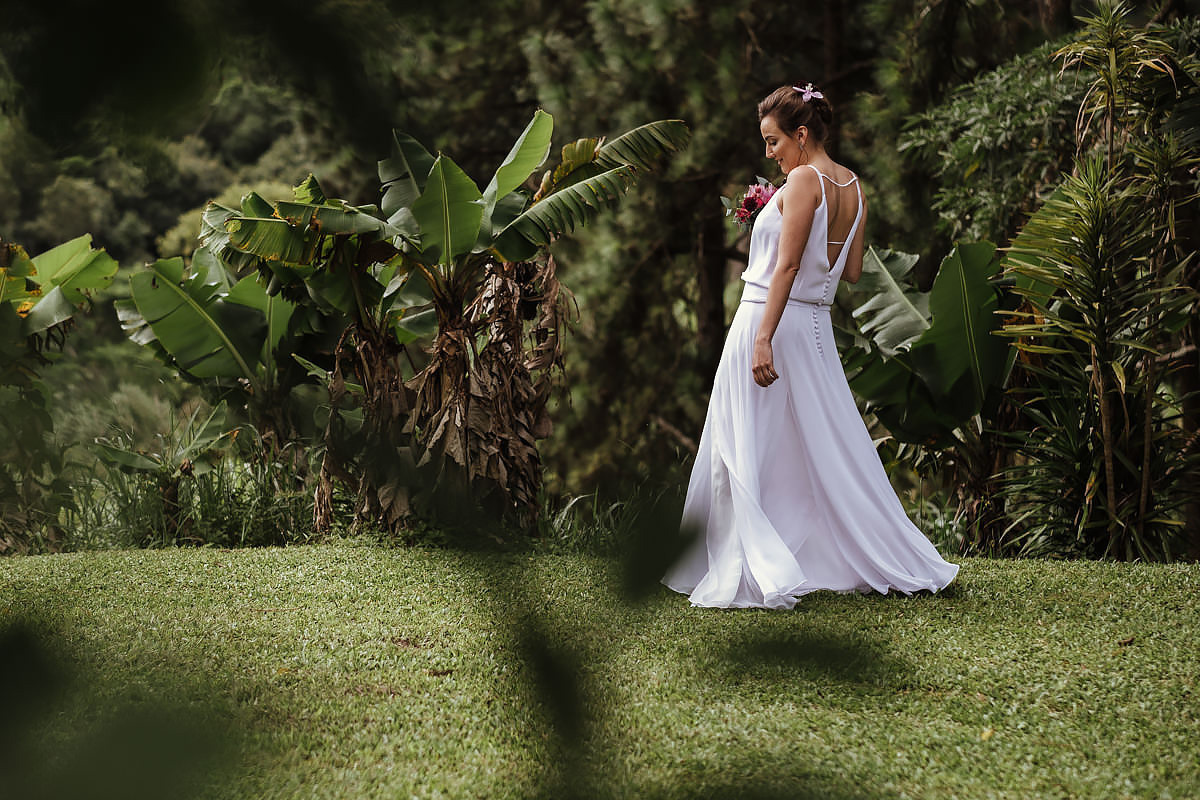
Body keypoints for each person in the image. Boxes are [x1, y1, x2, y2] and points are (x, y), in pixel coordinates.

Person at [662, 83, 960, 610]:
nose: (770, 154)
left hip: (771, 321)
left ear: (801, 135)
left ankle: (756, 561)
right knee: (820, 444)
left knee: (745, 438)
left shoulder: (803, 180)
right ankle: (823, 552)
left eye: (774, 142)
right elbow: (848, 270)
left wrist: (762, 338)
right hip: (815, 327)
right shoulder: (853, 185)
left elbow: (788, 265)